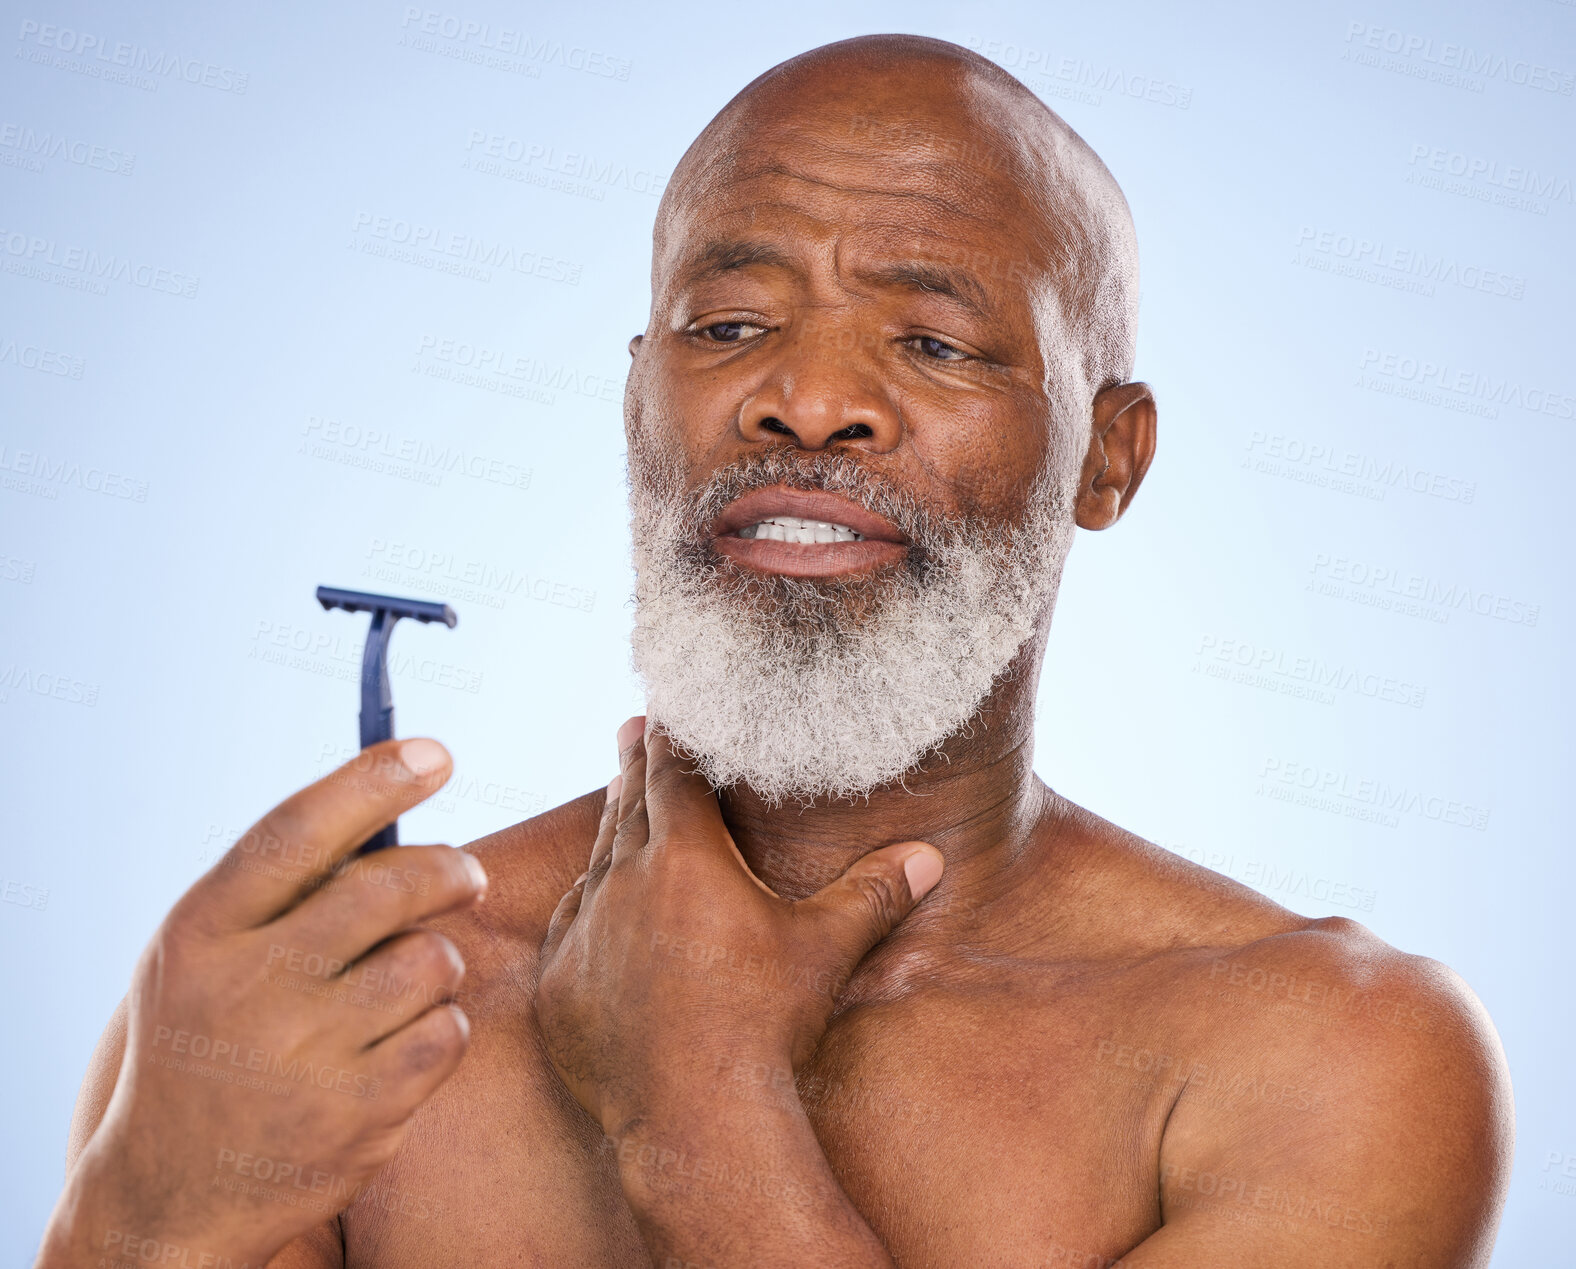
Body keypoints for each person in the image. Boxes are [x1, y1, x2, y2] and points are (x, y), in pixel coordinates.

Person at [36, 33, 1512, 1269]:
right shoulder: (310, 1020)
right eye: (730, 323)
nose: (806, 400)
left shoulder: (1330, 1061)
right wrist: (146, 1210)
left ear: (1107, 459)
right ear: (635, 407)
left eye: (932, 343)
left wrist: (700, 1111)